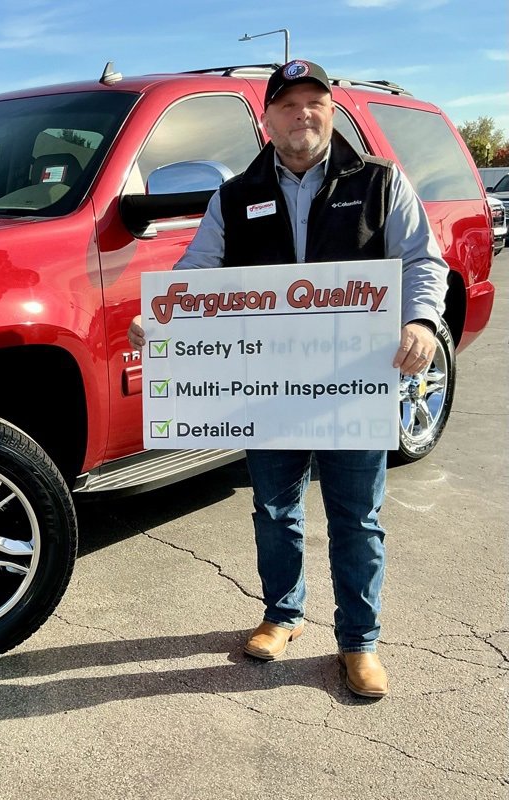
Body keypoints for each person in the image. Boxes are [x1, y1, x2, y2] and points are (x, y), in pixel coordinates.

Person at [128, 60, 449, 698]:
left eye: (315, 103)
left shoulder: (380, 182)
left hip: (352, 382)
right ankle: (283, 614)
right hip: (268, 385)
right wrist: (162, 316)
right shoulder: (234, 195)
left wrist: (419, 320)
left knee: (357, 517)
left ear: (332, 112)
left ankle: (359, 641)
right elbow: (200, 266)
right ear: (267, 119)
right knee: (274, 509)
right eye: (288, 104)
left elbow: (422, 260)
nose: (303, 114)